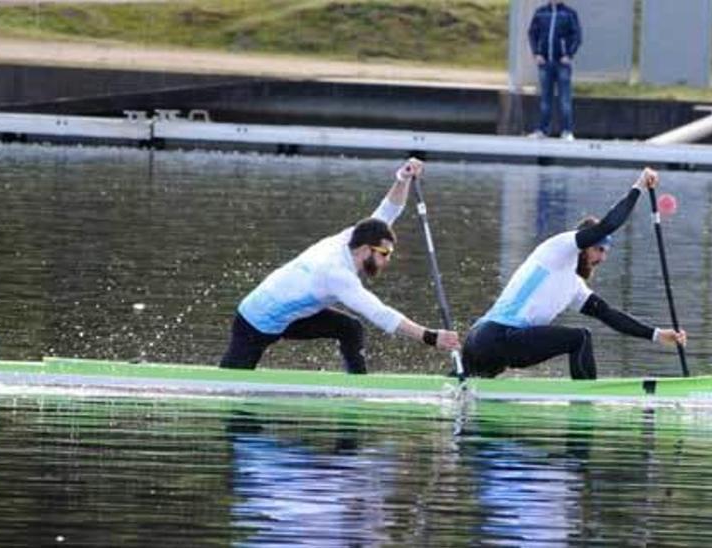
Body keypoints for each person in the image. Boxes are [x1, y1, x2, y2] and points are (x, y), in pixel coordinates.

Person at [219, 158, 461, 373]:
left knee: (350, 328)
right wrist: (430, 337)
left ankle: (357, 384)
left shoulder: (354, 236)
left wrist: (403, 178)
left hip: (291, 317)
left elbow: (390, 209)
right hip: (255, 321)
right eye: (385, 253)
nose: (388, 259)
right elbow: (379, 313)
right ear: (366, 250)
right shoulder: (336, 273)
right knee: (231, 390)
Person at [461, 168, 686, 381]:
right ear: (585, 243)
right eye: (599, 249)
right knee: (581, 338)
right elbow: (608, 225)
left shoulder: (573, 286)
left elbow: (608, 315)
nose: (603, 258)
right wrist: (639, 186)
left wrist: (657, 334)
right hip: (495, 338)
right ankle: (587, 401)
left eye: (606, 252)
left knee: (464, 388)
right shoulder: (561, 248)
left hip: (478, 343)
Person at [527, 0, 582, 141]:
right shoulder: (541, 13)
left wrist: (569, 54)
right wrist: (536, 53)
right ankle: (542, 130)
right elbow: (533, 33)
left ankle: (567, 131)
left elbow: (576, 36)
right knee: (545, 99)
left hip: (562, 63)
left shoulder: (569, 14)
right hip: (545, 62)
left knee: (565, 99)